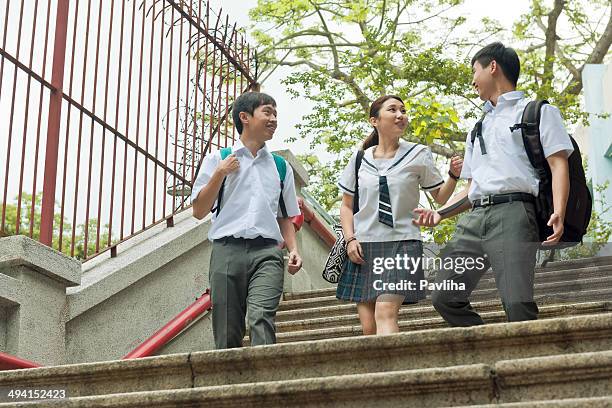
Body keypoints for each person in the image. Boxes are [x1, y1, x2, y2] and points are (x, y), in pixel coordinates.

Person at [412, 42, 573, 326]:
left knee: (516, 301)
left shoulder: (538, 113)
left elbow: (558, 164)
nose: (472, 80)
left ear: (493, 67)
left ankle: (530, 363)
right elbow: (471, 187)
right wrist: (440, 213)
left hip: (514, 213)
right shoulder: (478, 128)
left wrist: (558, 210)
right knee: (443, 295)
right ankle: (493, 348)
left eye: (475, 70)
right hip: (474, 219)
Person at [336, 94, 463, 335]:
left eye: (403, 110)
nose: (400, 115)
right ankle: (380, 371)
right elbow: (346, 205)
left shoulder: (419, 153)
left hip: (403, 242)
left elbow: (441, 198)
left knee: (385, 310)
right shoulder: (359, 158)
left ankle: (393, 373)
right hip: (364, 246)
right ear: (374, 120)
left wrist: (454, 176)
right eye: (392, 110)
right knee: (368, 327)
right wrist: (350, 239)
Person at [191, 91, 303, 349]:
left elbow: (285, 216)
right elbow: (198, 210)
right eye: (267, 112)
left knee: (261, 316)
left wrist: (294, 248)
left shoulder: (280, 166)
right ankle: (232, 386)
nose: (274, 119)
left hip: (267, 252)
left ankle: (266, 386)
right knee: (227, 328)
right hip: (226, 251)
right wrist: (219, 174)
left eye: (276, 113)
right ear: (245, 117)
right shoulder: (219, 159)